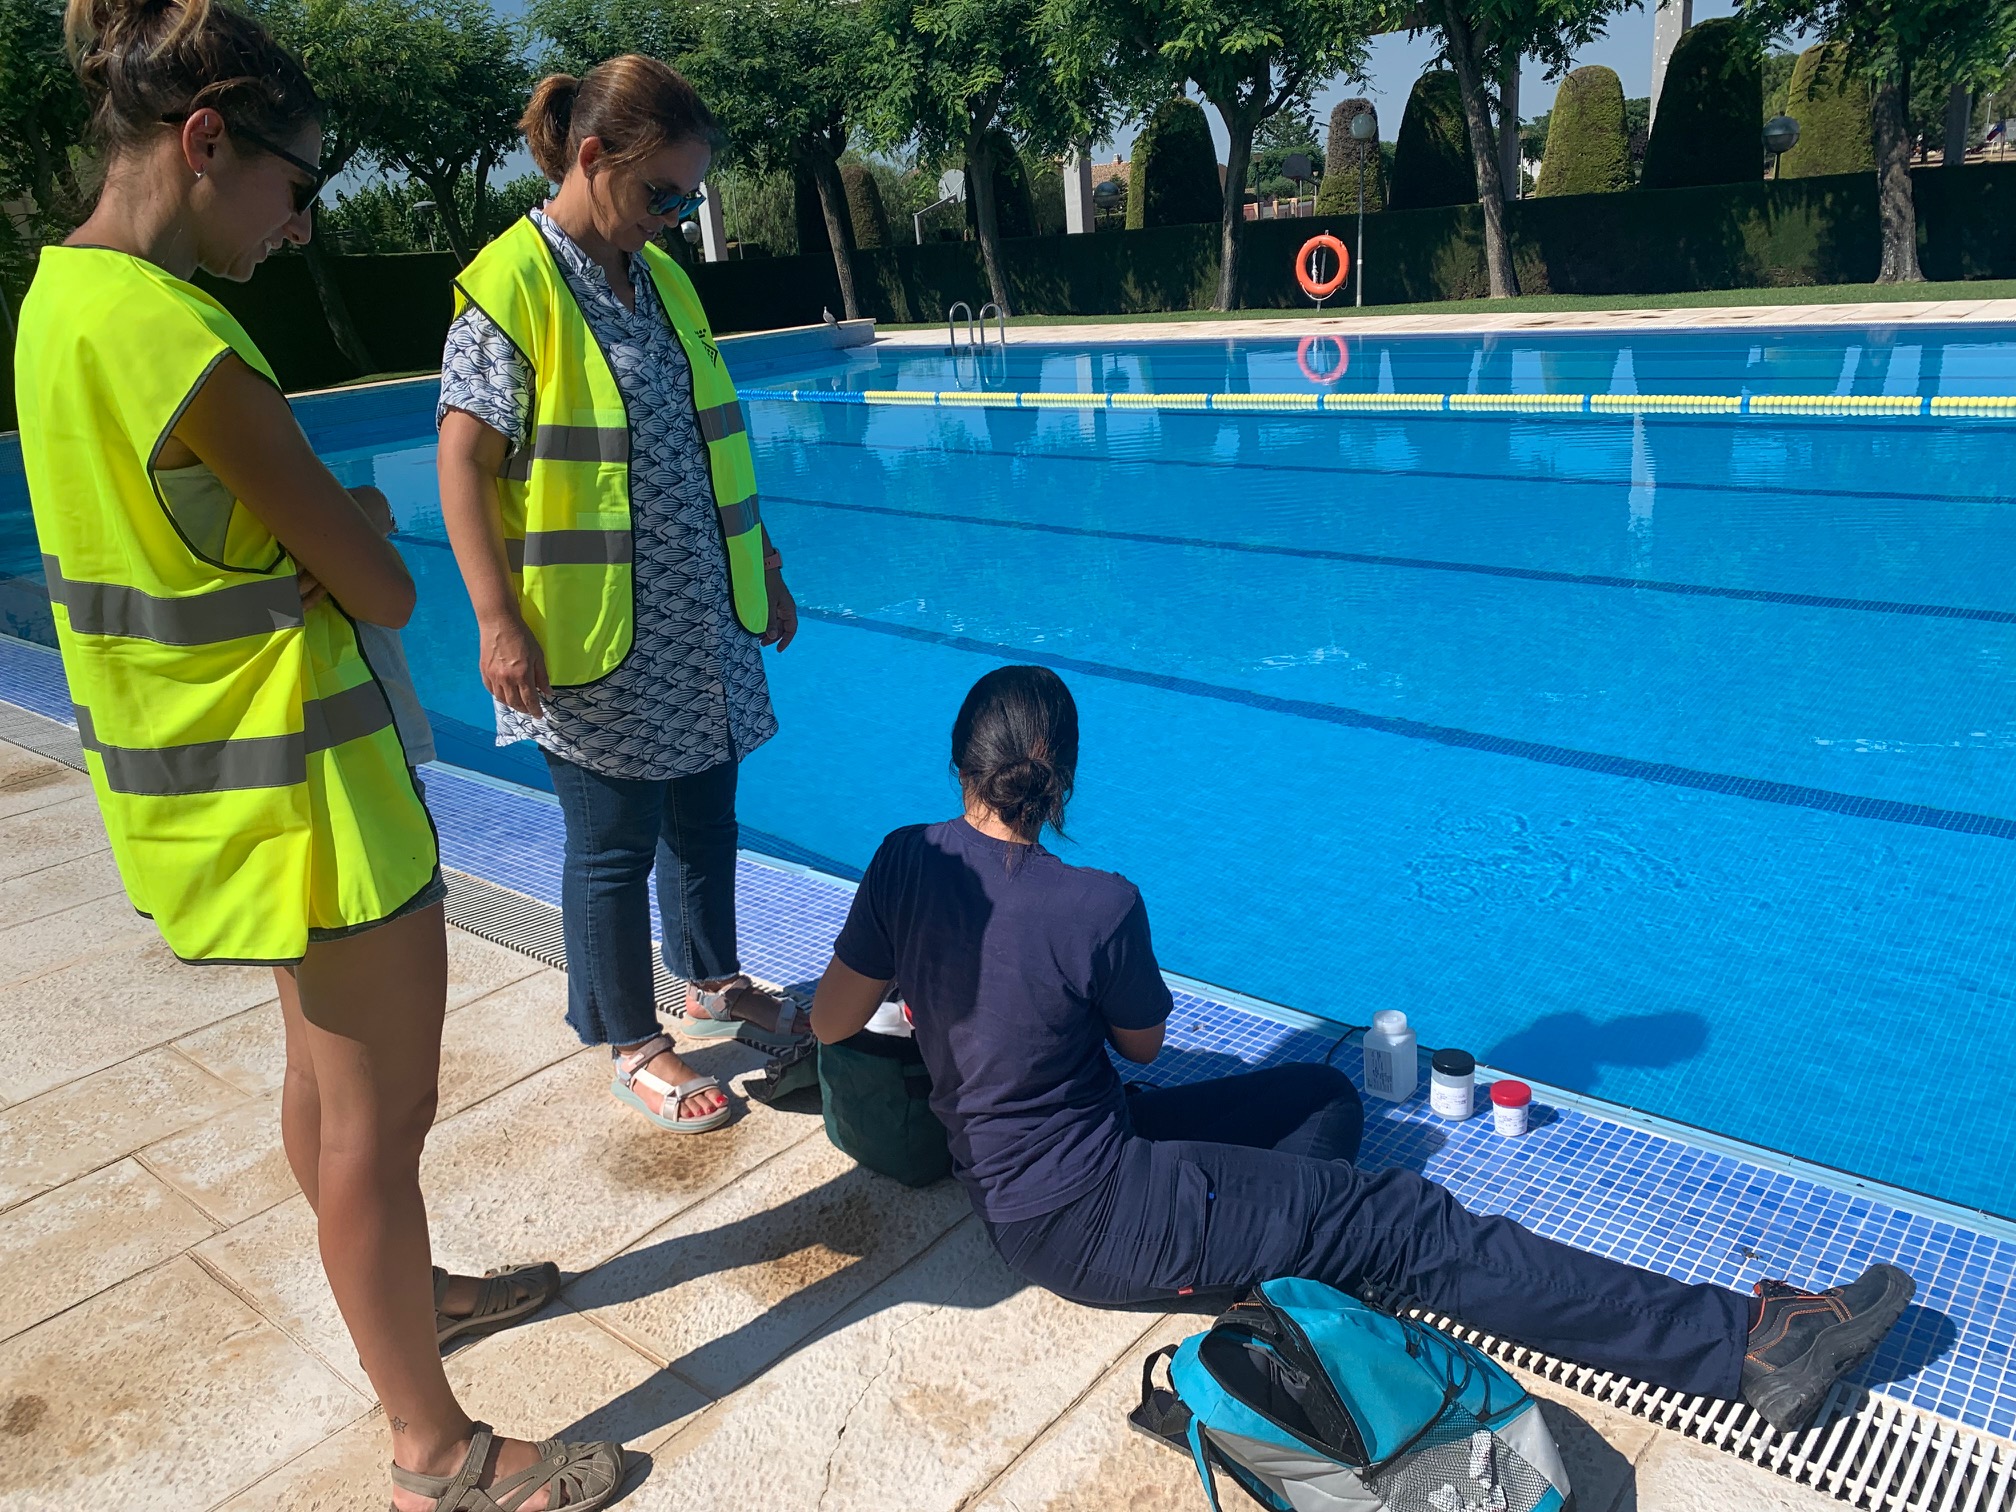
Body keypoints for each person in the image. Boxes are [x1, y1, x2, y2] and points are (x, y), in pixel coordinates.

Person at [16, 2, 622, 1506]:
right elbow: (390, 587)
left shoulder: (54, 304)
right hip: (310, 789)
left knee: (323, 1090)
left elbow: (177, 540)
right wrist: (351, 529)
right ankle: (439, 1452)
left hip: (209, 782)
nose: (301, 223)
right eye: (296, 185)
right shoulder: (180, 338)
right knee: (375, 1122)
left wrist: (306, 538)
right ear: (205, 142)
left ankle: (410, 1299)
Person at [808, 666, 1915, 1434]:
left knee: (1314, 1097)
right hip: (1096, 1214)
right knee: (1414, 1224)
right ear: (1063, 777)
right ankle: (1744, 1346)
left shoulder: (906, 859)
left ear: (959, 761)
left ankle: (1277, 1238)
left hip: (1041, 1180)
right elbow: (1143, 1045)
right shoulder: (1096, 901)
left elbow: (829, 1022)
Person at [438, 55, 804, 1137]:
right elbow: (461, 460)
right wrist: (497, 621)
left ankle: (711, 979)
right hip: (589, 636)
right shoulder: (511, 283)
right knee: (609, 841)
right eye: (661, 194)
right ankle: (629, 1039)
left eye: (689, 199)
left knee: (706, 818)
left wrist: (768, 570)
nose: (676, 216)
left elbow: (713, 442)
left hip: (698, 620)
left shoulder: (662, 277)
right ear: (591, 158)